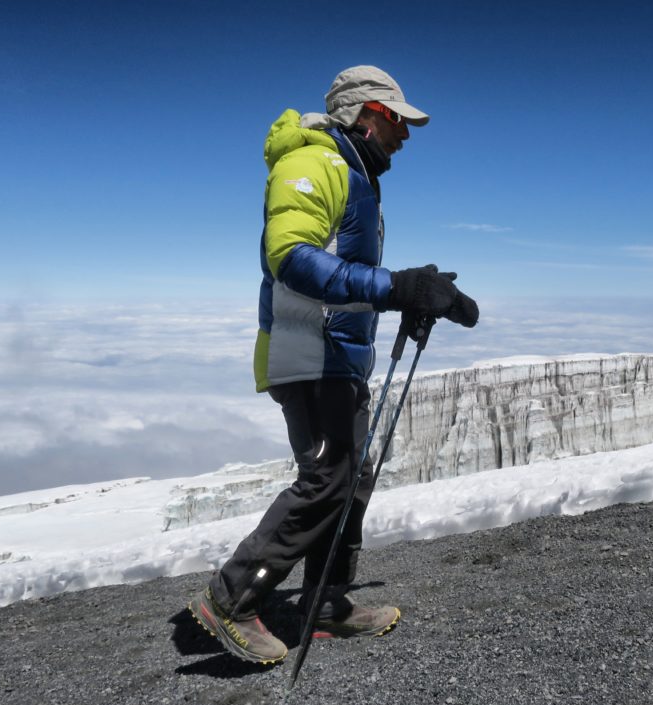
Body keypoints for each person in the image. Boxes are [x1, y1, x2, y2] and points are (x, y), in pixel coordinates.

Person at [189, 65, 479, 664]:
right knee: (326, 479)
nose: (406, 134)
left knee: (352, 475)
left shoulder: (353, 174)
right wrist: (397, 287)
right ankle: (231, 598)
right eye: (398, 119)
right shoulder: (312, 163)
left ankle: (324, 602)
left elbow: (344, 271)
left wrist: (412, 293)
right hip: (309, 353)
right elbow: (290, 259)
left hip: (337, 356)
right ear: (366, 112)